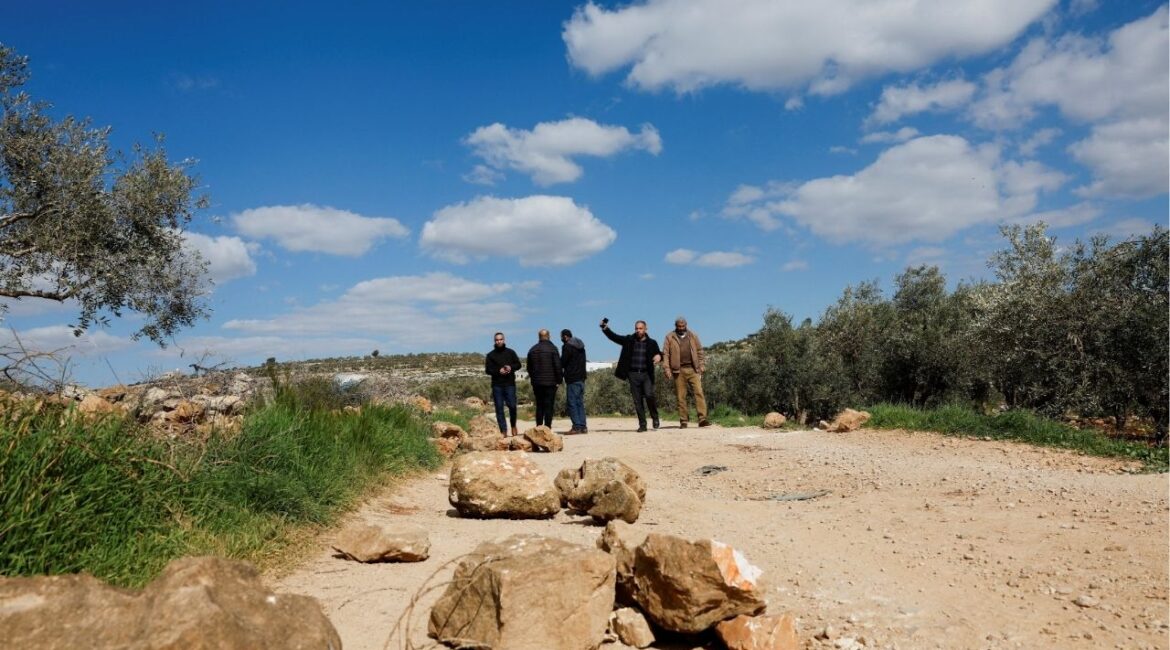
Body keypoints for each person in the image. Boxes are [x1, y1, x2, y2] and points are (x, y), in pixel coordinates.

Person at [601, 318, 662, 432]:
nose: (638, 330)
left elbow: (659, 354)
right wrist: (605, 328)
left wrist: (659, 356)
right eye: (636, 328)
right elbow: (614, 337)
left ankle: (655, 417)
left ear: (646, 329)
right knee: (637, 400)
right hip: (633, 374)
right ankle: (642, 424)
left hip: (646, 374)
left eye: (640, 328)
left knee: (649, 395)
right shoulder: (629, 340)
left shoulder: (652, 343)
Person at [662, 316, 710, 428]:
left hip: (693, 369)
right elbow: (666, 354)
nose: (681, 328)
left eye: (683, 326)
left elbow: (700, 351)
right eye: (679, 326)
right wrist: (667, 369)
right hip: (678, 371)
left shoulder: (693, 335)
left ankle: (702, 419)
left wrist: (702, 364)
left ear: (686, 325)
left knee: (699, 392)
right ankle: (683, 420)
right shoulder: (670, 337)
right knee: (681, 396)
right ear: (676, 326)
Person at [485, 332, 522, 436]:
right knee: (499, 408)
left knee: (512, 406)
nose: (499, 341)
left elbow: (518, 364)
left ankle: (513, 425)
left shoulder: (511, 352)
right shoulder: (490, 355)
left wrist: (511, 367)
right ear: (494, 341)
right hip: (497, 385)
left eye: (500, 339)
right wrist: (498, 370)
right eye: (497, 340)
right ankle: (503, 430)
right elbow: (488, 370)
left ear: (504, 340)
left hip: (510, 384)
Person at [526, 329, 562, 429]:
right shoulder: (553, 349)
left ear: (539, 336)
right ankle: (547, 428)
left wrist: (534, 379)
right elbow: (558, 366)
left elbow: (529, 368)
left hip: (537, 383)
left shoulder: (532, 349)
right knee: (549, 406)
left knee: (539, 405)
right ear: (549, 336)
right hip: (551, 383)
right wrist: (559, 380)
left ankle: (538, 427)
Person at [560, 328, 588, 434]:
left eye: (561, 337)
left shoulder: (567, 346)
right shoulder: (581, 347)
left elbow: (563, 362)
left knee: (572, 402)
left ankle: (576, 426)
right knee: (579, 402)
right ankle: (583, 426)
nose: (561, 339)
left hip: (572, 378)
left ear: (565, 337)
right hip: (581, 377)